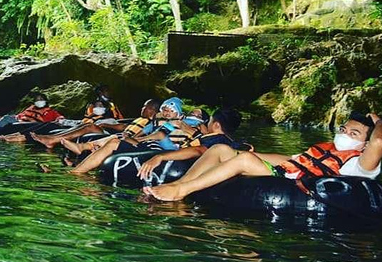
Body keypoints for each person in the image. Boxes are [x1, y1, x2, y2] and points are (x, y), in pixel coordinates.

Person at [147, 111, 382, 202]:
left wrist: (378, 120)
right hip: (287, 173)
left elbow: (379, 141)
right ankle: (177, 185)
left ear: (364, 144)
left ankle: (181, 191)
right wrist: (244, 153)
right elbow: (291, 159)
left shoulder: (359, 165)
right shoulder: (327, 148)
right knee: (220, 150)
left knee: (245, 161)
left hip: (298, 188)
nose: (344, 135)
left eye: (354, 133)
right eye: (343, 129)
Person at [66, 98, 200, 175]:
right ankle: (77, 170)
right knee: (114, 141)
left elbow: (160, 135)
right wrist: (134, 137)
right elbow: (148, 129)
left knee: (124, 138)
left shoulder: (183, 123)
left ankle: (81, 151)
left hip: (166, 149)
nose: (166, 113)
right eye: (164, 110)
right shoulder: (159, 120)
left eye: (170, 110)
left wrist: (136, 139)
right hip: (150, 145)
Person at [136, 108, 251, 181]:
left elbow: (199, 150)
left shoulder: (214, 140)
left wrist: (160, 157)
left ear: (216, 125)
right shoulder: (232, 142)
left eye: (209, 121)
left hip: (182, 170)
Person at [31, 98, 162, 148]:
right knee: (86, 125)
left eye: (146, 107)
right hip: (119, 135)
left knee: (90, 126)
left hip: (123, 140)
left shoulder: (153, 122)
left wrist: (106, 125)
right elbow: (123, 126)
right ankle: (53, 138)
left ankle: (53, 140)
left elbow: (141, 135)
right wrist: (105, 125)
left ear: (153, 110)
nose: (142, 109)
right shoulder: (140, 119)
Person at [0, 93, 65, 137]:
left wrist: (58, 120)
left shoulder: (51, 112)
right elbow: (20, 115)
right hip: (19, 120)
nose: (39, 102)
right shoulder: (30, 108)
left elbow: (60, 118)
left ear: (46, 101)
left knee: (7, 118)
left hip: (29, 125)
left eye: (41, 100)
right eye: (37, 100)